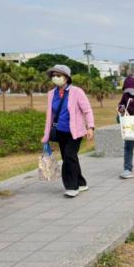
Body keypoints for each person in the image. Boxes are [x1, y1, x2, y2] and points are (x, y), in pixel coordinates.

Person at [40, 64, 95, 198]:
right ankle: (81, 183)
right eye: (53, 76)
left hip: (75, 132)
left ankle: (71, 187)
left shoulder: (77, 92)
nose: (55, 78)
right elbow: (50, 116)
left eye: (58, 75)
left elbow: (87, 110)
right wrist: (46, 135)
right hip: (60, 131)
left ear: (66, 78)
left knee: (69, 157)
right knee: (69, 157)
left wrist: (90, 127)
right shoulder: (51, 94)